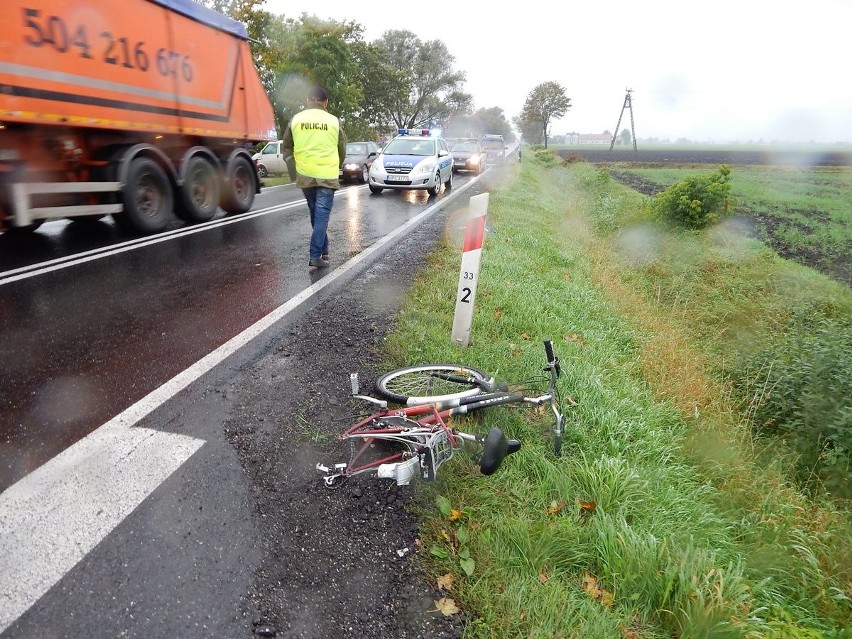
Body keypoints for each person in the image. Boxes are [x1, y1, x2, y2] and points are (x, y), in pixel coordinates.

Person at [282, 85, 346, 269]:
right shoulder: (334, 121)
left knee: (315, 213)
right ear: (326, 102)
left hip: (305, 176)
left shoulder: (296, 120)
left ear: (307, 100)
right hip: (327, 175)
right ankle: (315, 255)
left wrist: (294, 171)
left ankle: (323, 248)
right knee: (321, 216)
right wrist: (338, 164)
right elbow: (342, 148)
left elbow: (286, 147)